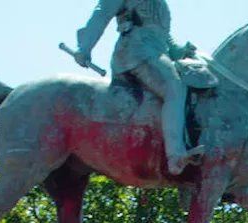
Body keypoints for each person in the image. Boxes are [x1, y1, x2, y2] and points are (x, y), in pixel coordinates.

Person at [73, 0, 207, 176]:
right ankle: (175, 155)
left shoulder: (161, 4)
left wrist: (182, 51)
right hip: (135, 52)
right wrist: (84, 47)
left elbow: (165, 40)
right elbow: (102, 13)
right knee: (174, 87)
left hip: (155, 53)